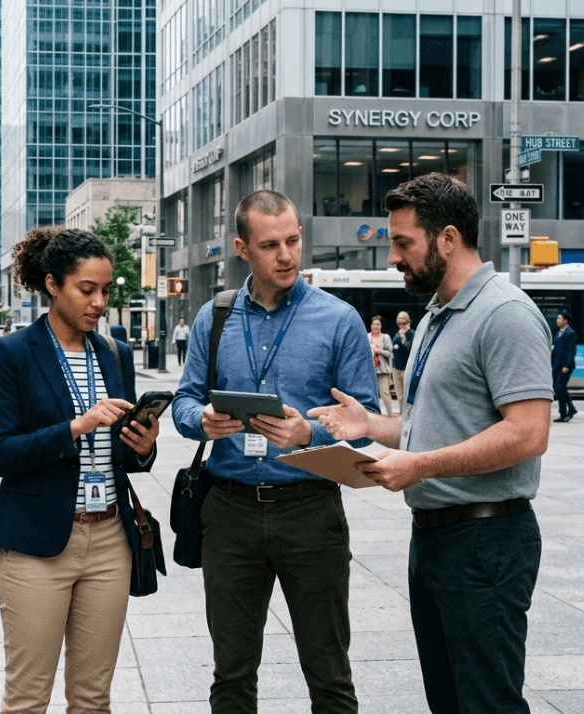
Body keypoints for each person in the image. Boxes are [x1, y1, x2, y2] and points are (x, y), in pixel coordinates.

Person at [309, 172, 552, 714]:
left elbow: (529, 433)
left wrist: (418, 466)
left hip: (486, 540)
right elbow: (431, 427)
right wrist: (370, 428)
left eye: (403, 243)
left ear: (447, 239)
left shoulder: (505, 313)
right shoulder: (436, 317)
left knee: (487, 702)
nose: (393, 257)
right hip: (436, 541)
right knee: (449, 701)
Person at [171, 190, 377, 714]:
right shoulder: (213, 318)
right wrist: (204, 421)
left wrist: (311, 434)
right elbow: (184, 401)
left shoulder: (339, 320)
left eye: (292, 241)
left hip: (311, 511)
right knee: (232, 674)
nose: (286, 255)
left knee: (329, 673)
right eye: (270, 245)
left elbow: (367, 423)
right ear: (243, 247)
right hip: (230, 512)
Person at [0, 226, 160, 713]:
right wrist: (75, 427)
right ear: (52, 284)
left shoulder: (114, 354)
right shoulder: (12, 354)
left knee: (92, 698)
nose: (99, 302)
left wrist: (142, 447)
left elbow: (125, 457)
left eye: (105, 290)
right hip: (36, 545)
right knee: (27, 698)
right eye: (87, 289)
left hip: (109, 542)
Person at [552, 312, 578, 422]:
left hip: (565, 366)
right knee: (559, 390)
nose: (557, 320)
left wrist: (567, 365)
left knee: (560, 388)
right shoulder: (559, 334)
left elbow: (572, 351)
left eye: (559, 318)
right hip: (556, 365)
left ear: (565, 320)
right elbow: (556, 350)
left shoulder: (570, 333)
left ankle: (570, 410)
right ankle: (563, 413)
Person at [369, 315, 394, 416]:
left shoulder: (385, 337)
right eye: (374, 324)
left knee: (385, 393)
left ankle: (390, 414)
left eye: (378, 324)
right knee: (371, 394)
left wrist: (380, 351)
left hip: (383, 370)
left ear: (381, 326)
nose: (376, 326)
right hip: (370, 370)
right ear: (371, 325)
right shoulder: (367, 337)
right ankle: (373, 415)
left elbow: (390, 352)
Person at [392, 312, 415, 417]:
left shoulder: (412, 334)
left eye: (404, 323)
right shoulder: (397, 335)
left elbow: (411, 349)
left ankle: (409, 414)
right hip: (396, 368)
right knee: (399, 395)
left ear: (408, 322)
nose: (402, 326)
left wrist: (403, 338)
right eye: (400, 324)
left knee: (407, 394)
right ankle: (402, 414)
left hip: (406, 369)